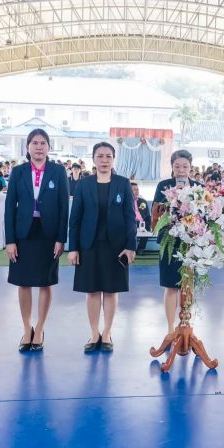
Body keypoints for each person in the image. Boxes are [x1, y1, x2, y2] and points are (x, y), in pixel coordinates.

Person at [68, 142, 137, 353]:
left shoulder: (123, 183)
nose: (104, 160)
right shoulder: (84, 184)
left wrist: (130, 246)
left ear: (113, 159)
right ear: (94, 159)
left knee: (110, 291)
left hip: (116, 247)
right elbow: (75, 218)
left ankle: (106, 333)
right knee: (91, 291)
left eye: (108, 156)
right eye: (100, 156)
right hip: (88, 246)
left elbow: (130, 217)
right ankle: (94, 333)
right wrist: (73, 248)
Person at [4, 129, 69, 352]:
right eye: (34, 143)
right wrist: (10, 240)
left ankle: (39, 328)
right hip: (23, 234)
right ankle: (26, 328)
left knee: (45, 282)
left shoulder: (58, 171)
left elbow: (64, 207)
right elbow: (9, 207)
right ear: (28, 147)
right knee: (23, 282)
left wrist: (61, 238)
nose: (39, 147)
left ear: (49, 147)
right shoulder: (18, 171)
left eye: (43, 143)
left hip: (48, 234)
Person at [151, 150, 203, 339]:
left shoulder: (198, 187)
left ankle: (186, 325)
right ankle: (170, 328)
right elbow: (156, 213)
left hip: (191, 243)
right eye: (177, 166)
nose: (181, 170)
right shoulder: (163, 186)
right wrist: (174, 198)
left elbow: (204, 215)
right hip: (170, 242)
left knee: (188, 285)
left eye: (185, 166)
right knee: (170, 285)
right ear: (172, 167)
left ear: (191, 167)